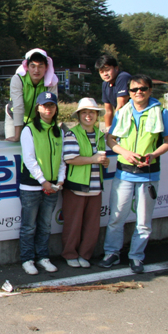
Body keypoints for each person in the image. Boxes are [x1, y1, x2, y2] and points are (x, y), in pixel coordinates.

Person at [98, 74, 168, 273]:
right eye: (134, 89)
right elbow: (111, 139)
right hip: (124, 173)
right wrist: (125, 153)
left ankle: (136, 256)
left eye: (143, 89)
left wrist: (153, 154)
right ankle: (112, 253)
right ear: (129, 92)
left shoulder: (161, 112)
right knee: (116, 218)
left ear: (150, 90)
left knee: (143, 221)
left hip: (148, 174)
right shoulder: (122, 112)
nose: (138, 92)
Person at [19, 91, 66, 275]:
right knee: (29, 226)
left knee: (45, 225)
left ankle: (43, 257)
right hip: (31, 186)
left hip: (52, 187)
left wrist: (60, 180)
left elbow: (62, 159)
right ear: (38, 108)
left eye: (52, 105)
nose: (48, 109)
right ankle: (27, 259)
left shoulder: (59, 131)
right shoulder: (29, 129)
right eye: (45, 106)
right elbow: (29, 159)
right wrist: (43, 181)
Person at [61, 98, 110, 268]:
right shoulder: (72, 134)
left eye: (91, 112)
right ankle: (70, 254)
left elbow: (99, 158)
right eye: (84, 112)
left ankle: (85, 254)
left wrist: (104, 162)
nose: (88, 116)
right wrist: (93, 159)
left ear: (97, 115)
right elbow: (70, 159)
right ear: (79, 115)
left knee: (92, 225)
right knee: (73, 224)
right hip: (76, 186)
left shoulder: (100, 135)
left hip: (96, 187)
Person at [5, 48, 59, 142]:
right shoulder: (18, 79)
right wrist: (17, 136)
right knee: (13, 145)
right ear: (27, 66)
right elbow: (18, 106)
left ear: (46, 67)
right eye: (33, 66)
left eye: (40, 66)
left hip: (37, 119)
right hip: (14, 115)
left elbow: (52, 107)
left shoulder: (52, 81)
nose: (36, 70)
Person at [95, 54, 131, 131]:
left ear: (116, 68)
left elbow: (121, 106)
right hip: (123, 120)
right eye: (101, 72)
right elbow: (108, 111)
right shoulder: (105, 84)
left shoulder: (123, 77)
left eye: (107, 70)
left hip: (133, 118)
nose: (105, 74)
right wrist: (108, 129)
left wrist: (115, 129)